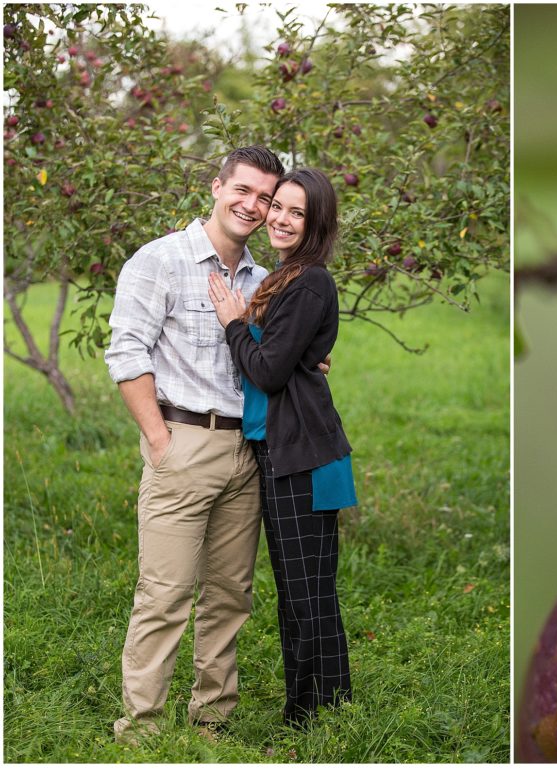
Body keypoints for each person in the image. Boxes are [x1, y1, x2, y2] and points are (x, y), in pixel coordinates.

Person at [104, 145, 285, 743]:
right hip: (183, 440)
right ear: (216, 186)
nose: (253, 206)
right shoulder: (162, 260)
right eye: (244, 191)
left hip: (246, 453)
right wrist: (158, 438)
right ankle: (142, 727)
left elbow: (263, 362)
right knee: (165, 592)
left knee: (231, 595)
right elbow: (127, 350)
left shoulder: (263, 281)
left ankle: (213, 721)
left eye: (266, 197)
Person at [208, 167, 356, 727]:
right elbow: (287, 359)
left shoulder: (311, 280)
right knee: (304, 590)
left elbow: (267, 372)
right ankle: (328, 705)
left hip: (306, 457)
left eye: (298, 212)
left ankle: (310, 714)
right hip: (285, 450)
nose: (281, 218)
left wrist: (233, 324)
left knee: (305, 593)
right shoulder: (286, 277)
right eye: (279, 207)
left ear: (316, 224)